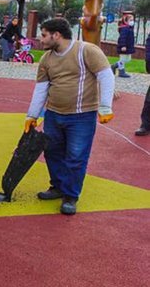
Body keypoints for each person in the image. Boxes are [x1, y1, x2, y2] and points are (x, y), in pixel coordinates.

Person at [24, 18, 114, 215]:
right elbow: (41, 88)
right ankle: (57, 187)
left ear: (57, 35)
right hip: (54, 115)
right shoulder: (46, 59)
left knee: (76, 157)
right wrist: (32, 115)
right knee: (52, 152)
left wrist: (105, 106)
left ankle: (71, 196)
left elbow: (106, 75)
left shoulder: (86, 51)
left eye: (44, 34)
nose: (42, 39)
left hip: (81, 116)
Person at [111, 14, 135, 78]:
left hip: (128, 47)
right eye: (131, 20)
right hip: (124, 47)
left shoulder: (129, 28)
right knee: (123, 59)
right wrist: (123, 46)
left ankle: (114, 66)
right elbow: (122, 38)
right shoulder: (125, 29)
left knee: (127, 59)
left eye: (133, 20)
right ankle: (121, 71)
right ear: (126, 21)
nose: (132, 21)